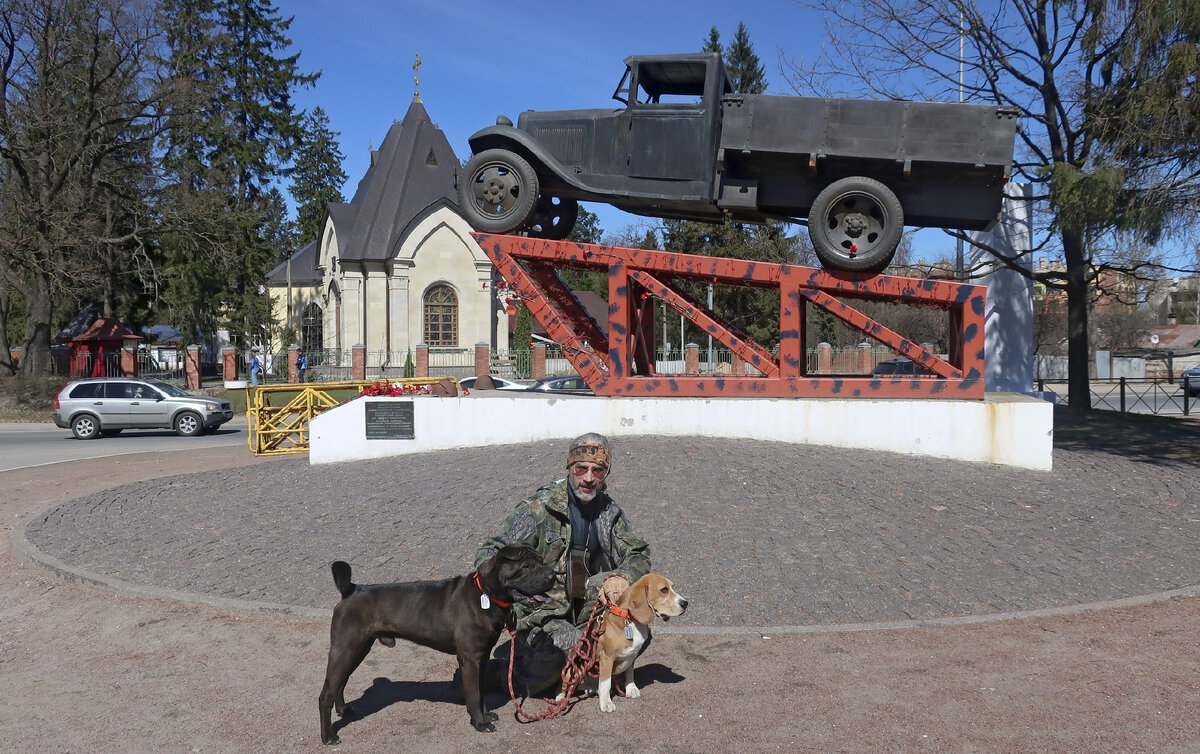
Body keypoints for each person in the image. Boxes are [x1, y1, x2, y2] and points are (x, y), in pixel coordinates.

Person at [475, 432, 650, 697]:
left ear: (607, 472)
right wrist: (517, 593)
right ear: (569, 467)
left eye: (598, 470)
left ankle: (580, 668)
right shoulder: (539, 508)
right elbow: (490, 553)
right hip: (544, 612)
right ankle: (490, 674)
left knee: (636, 634)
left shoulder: (609, 512)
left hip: (589, 606)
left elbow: (638, 552)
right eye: (581, 468)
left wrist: (621, 577)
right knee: (566, 652)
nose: (588, 478)